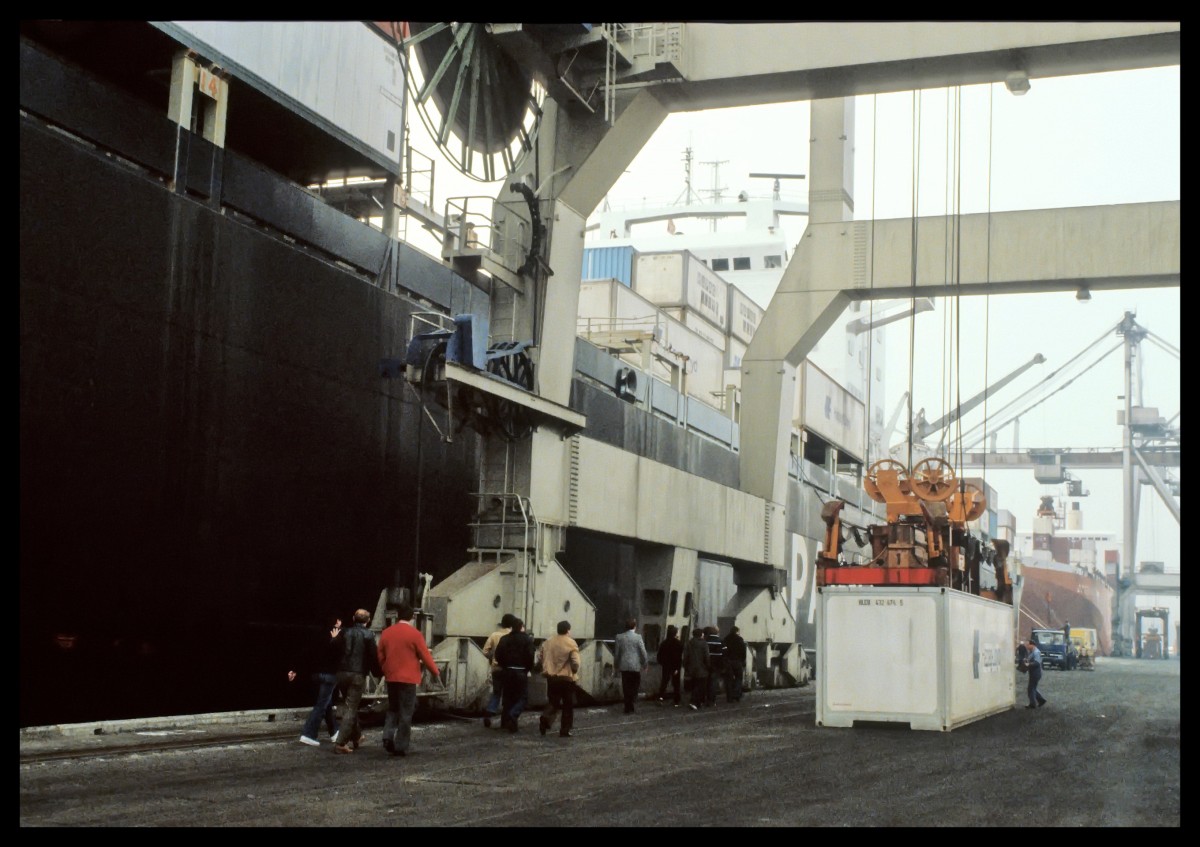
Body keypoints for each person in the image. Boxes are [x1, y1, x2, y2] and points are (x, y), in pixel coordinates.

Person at [376, 602, 440, 757]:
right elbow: (425, 656)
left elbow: (380, 654)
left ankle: (387, 736)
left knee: (393, 708)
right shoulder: (415, 634)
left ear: (397, 617)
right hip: (408, 679)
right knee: (406, 712)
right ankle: (400, 746)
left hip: (391, 677)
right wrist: (435, 672)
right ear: (412, 617)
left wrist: (385, 669)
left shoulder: (387, 632)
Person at [288, 615, 344, 747]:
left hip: (316, 675)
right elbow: (340, 654)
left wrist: (294, 668)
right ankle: (308, 734)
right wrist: (336, 640)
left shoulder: (317, 635)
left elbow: (306, 652)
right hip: (329, 675)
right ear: (336, 622)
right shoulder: (337, 636)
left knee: (327, 704)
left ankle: (335, 732)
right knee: (321, 705)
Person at [332, 608, 379, 753]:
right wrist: (378, 672)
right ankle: (341, 743)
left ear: (353, 618)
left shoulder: (344, 632)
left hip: (341, 673)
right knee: (351, 708)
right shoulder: (369, 635)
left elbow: (335, 649)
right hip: (357, 674)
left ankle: (357, 736)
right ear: (368, 621)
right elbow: (373, 657)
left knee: (349, 706)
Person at [538, 620, 581, 738]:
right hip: (567, 678)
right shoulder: (571, 642)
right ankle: (565, 730)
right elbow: (575, 661)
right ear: (568, 630)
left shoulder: (548, 642)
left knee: (553, 702)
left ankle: (545, 718)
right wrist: (574, 670)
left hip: (551, 678)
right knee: (568, 704)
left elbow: (540, 656)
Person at [494, 617, 535, 732]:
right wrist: (527, 669)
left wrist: (504, 666)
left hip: (507, 671)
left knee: (508, 697)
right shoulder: (527, 640)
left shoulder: (504, 639)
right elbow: (530, 656)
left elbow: (498, 655)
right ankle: (513, 715)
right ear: (522, 627)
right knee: (522, 697)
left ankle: (505, 722)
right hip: (521, 672)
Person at [481, 613, 516, 728]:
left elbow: (485, 652)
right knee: (508, 695)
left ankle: (490, 711)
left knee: (496, 693)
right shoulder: (513, 635)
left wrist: (493, 658)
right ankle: (505, 720)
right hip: (509, 669)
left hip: (496, 669)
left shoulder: (494, 635)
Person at [613, 617, 648, 714]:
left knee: (626, 687)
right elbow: (643, 652)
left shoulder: (619, 637)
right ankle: (631, 704)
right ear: (635, 626)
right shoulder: (638, 637)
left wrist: (616, 665)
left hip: (624, 666)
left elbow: (617, 654)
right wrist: (645, 664)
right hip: (635, 666)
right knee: (635, 686)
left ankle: (627, 707)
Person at [655, 624, 683, 706]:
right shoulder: (679, 644)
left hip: (666, 666)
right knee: (676, 684)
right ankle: (676, 700)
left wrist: (662, 663)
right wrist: (677, 668)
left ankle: (660, 698)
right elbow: (678, 657)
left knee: (664, 682)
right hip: (675, 667)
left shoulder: (664, 643)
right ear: (675, 633)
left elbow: (659, 655)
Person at [684, 627, 710, 711]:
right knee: (700, 686)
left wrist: (686, 666)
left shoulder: (689, 643)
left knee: (694, 685)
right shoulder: (704, 643)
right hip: (702, 668)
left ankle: (696, 702)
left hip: (691, 668)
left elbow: (685, 656)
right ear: (701, 634)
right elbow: (707, 656)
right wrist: (708, 666)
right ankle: (695, 702)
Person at [722, 625, 747, 703]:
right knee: (738, 678)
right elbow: (743, 651)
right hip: (737, 661)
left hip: (728, 662)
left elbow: (723, 651)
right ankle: (736, 694)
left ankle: (729, 698)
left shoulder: (725, 639)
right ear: (737, 631)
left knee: (728, 680)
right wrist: (742, 660)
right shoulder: (740, 639)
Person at [703, 625, 725, 707]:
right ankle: (711, 701)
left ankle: (703, 699)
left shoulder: (705, 641)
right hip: (716, 666)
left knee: (705, 682)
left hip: (705, 665)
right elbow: (724, 654)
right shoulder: (720, 641)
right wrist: (723, 666)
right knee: (713, 683)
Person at [1025, 638, 1047, 709]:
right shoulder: (1031, 652)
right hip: (1033, 673)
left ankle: (1033, 704)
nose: (1027, 646)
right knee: (1033, 688)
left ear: (1032, 645)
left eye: (1028, 645)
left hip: (1036, 673)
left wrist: (1029, 664)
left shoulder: (1036, 652)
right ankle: (1041, 700)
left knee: (1031, 688)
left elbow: (1037, 663)